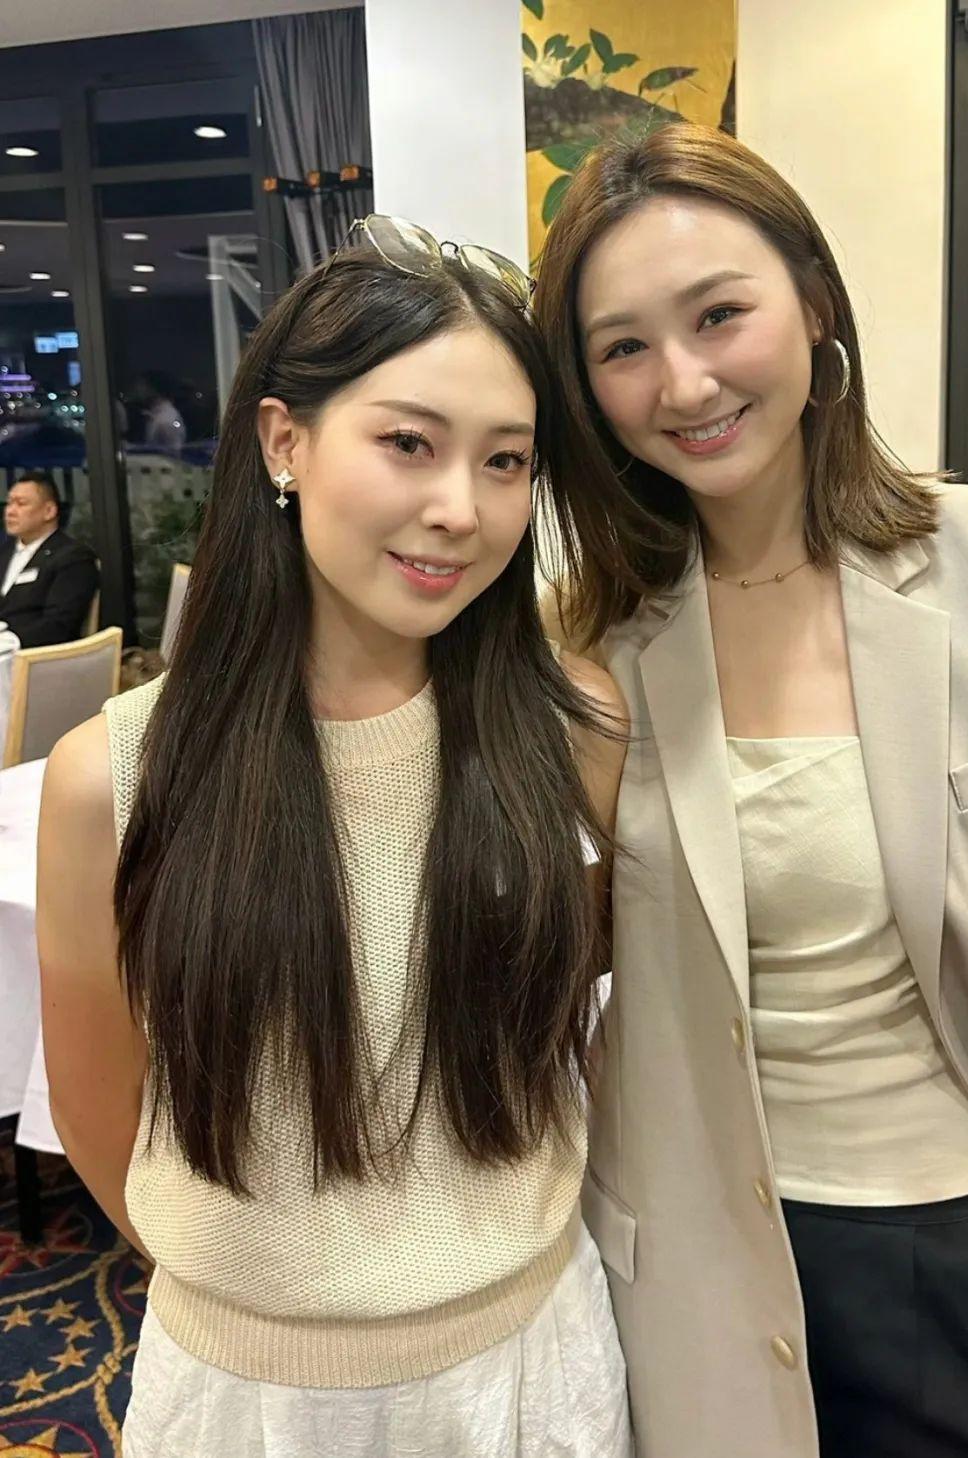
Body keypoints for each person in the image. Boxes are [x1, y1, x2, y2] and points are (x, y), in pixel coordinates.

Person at [37, 221, 630, 1458]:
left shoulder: (572, 727)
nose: (460, 509)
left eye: (506, 462)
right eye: (409, 442)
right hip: (243, 1393)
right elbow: (99, 1107)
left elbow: (576, 1029)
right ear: (283, 441)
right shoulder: (119, 775)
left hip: (530, 1365)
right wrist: (273, 1306)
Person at [534, 119, 968, 1458]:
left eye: (720, 314)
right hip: (691, 1269)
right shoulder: (588, 642)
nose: (684, 381)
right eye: (622, 347)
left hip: (964, 1241)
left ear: (815, 304)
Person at [0, 470, 98, 647]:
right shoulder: (4, 553)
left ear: (49, 511)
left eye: (21, 504)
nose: (10, 511)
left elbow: (59, 624)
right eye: (9, 503)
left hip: (34, 654)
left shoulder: (73, 557)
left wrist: (8, 642)